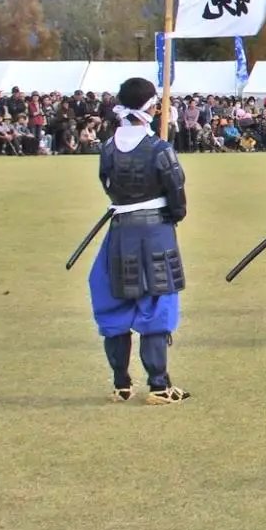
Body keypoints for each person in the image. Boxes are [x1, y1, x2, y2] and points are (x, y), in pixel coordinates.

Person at [87, 78, 190, 404]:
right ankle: (159, 385)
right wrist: (170, 216)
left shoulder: (108, 147)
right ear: (150, 106)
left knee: (117, 303)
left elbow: (107, 184)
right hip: (154, 232)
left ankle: (121, 384)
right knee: (156, 303)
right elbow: (177, 198)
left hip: (120, 231)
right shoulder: (161, 149)